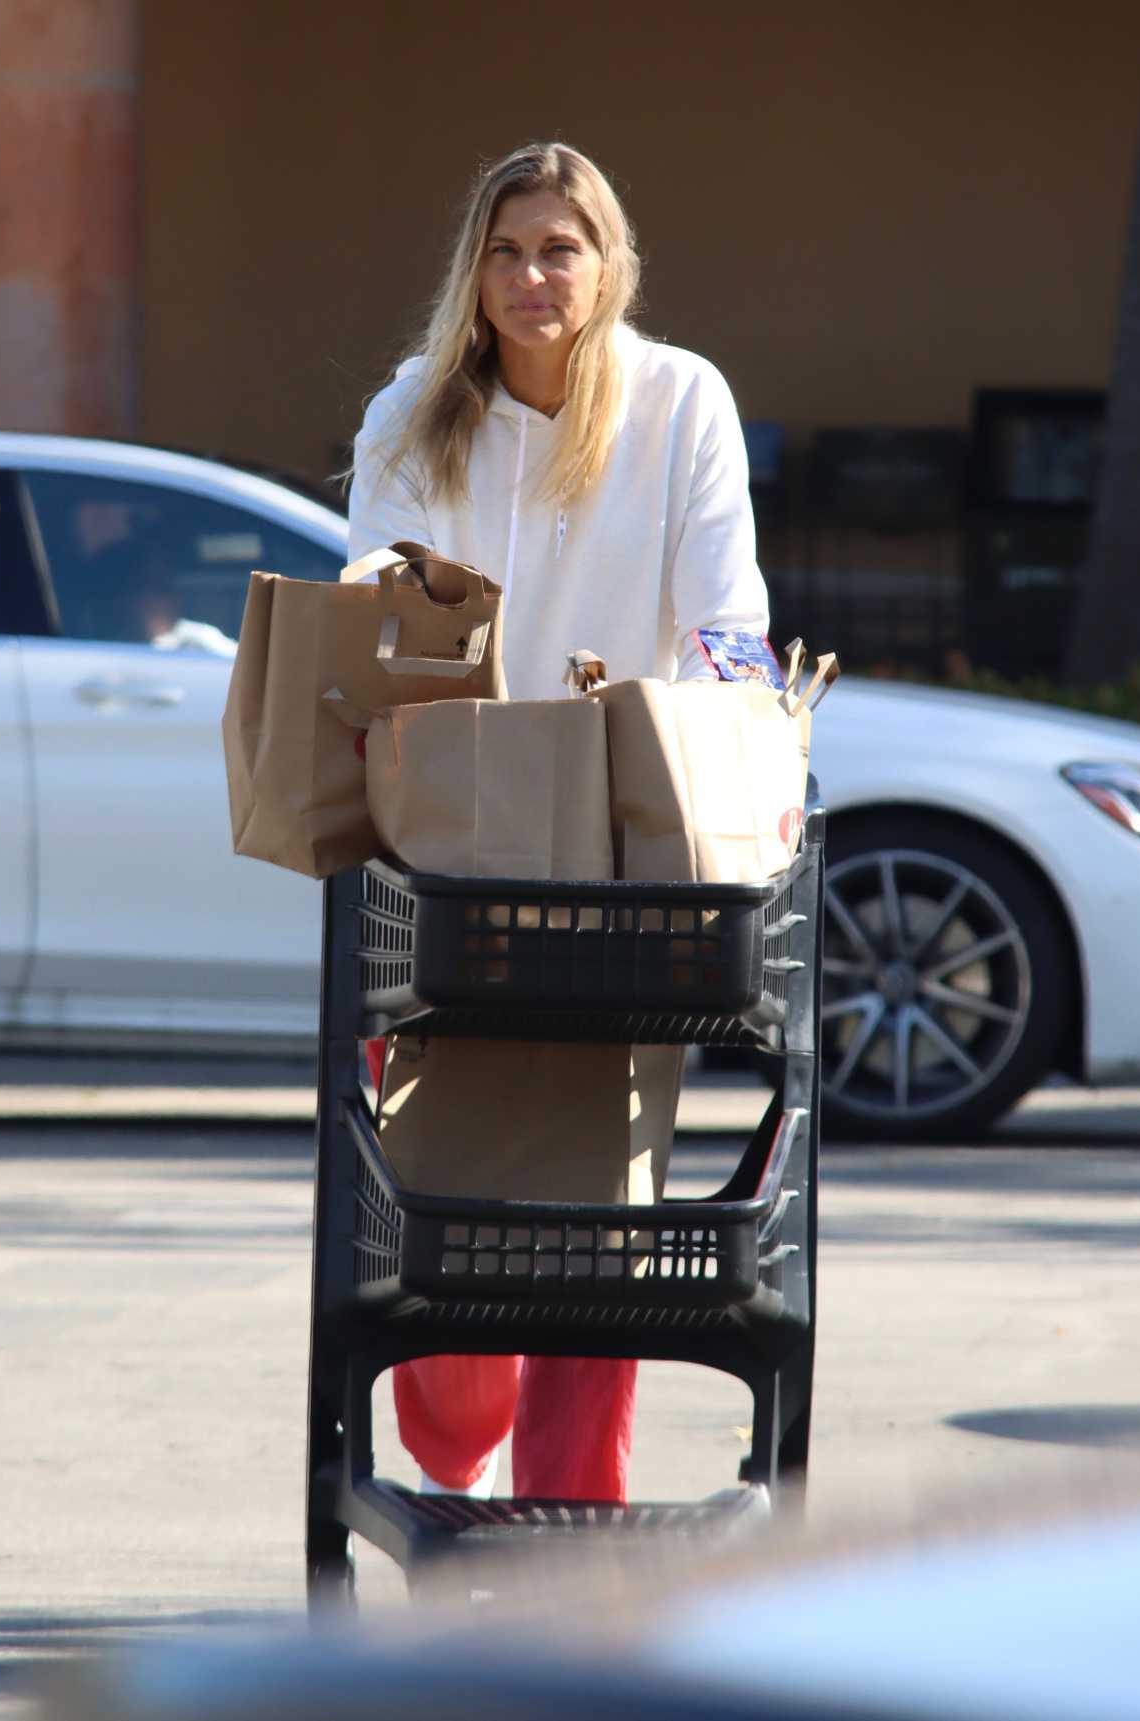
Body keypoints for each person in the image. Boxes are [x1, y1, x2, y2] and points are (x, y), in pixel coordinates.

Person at [347, 141, 769, 1505]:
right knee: (441, 1213)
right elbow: (379, 603)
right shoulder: (413, 412)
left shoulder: (675, 399)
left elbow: (723, 614)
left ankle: (573, 1529)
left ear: (606, 264)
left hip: (619, 862)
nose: (535, 277)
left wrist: (725, 725)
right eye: (509, 248)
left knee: (602, 1222)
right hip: (444, 856)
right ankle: (455, 1462)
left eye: (561, 248)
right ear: (473, 268)